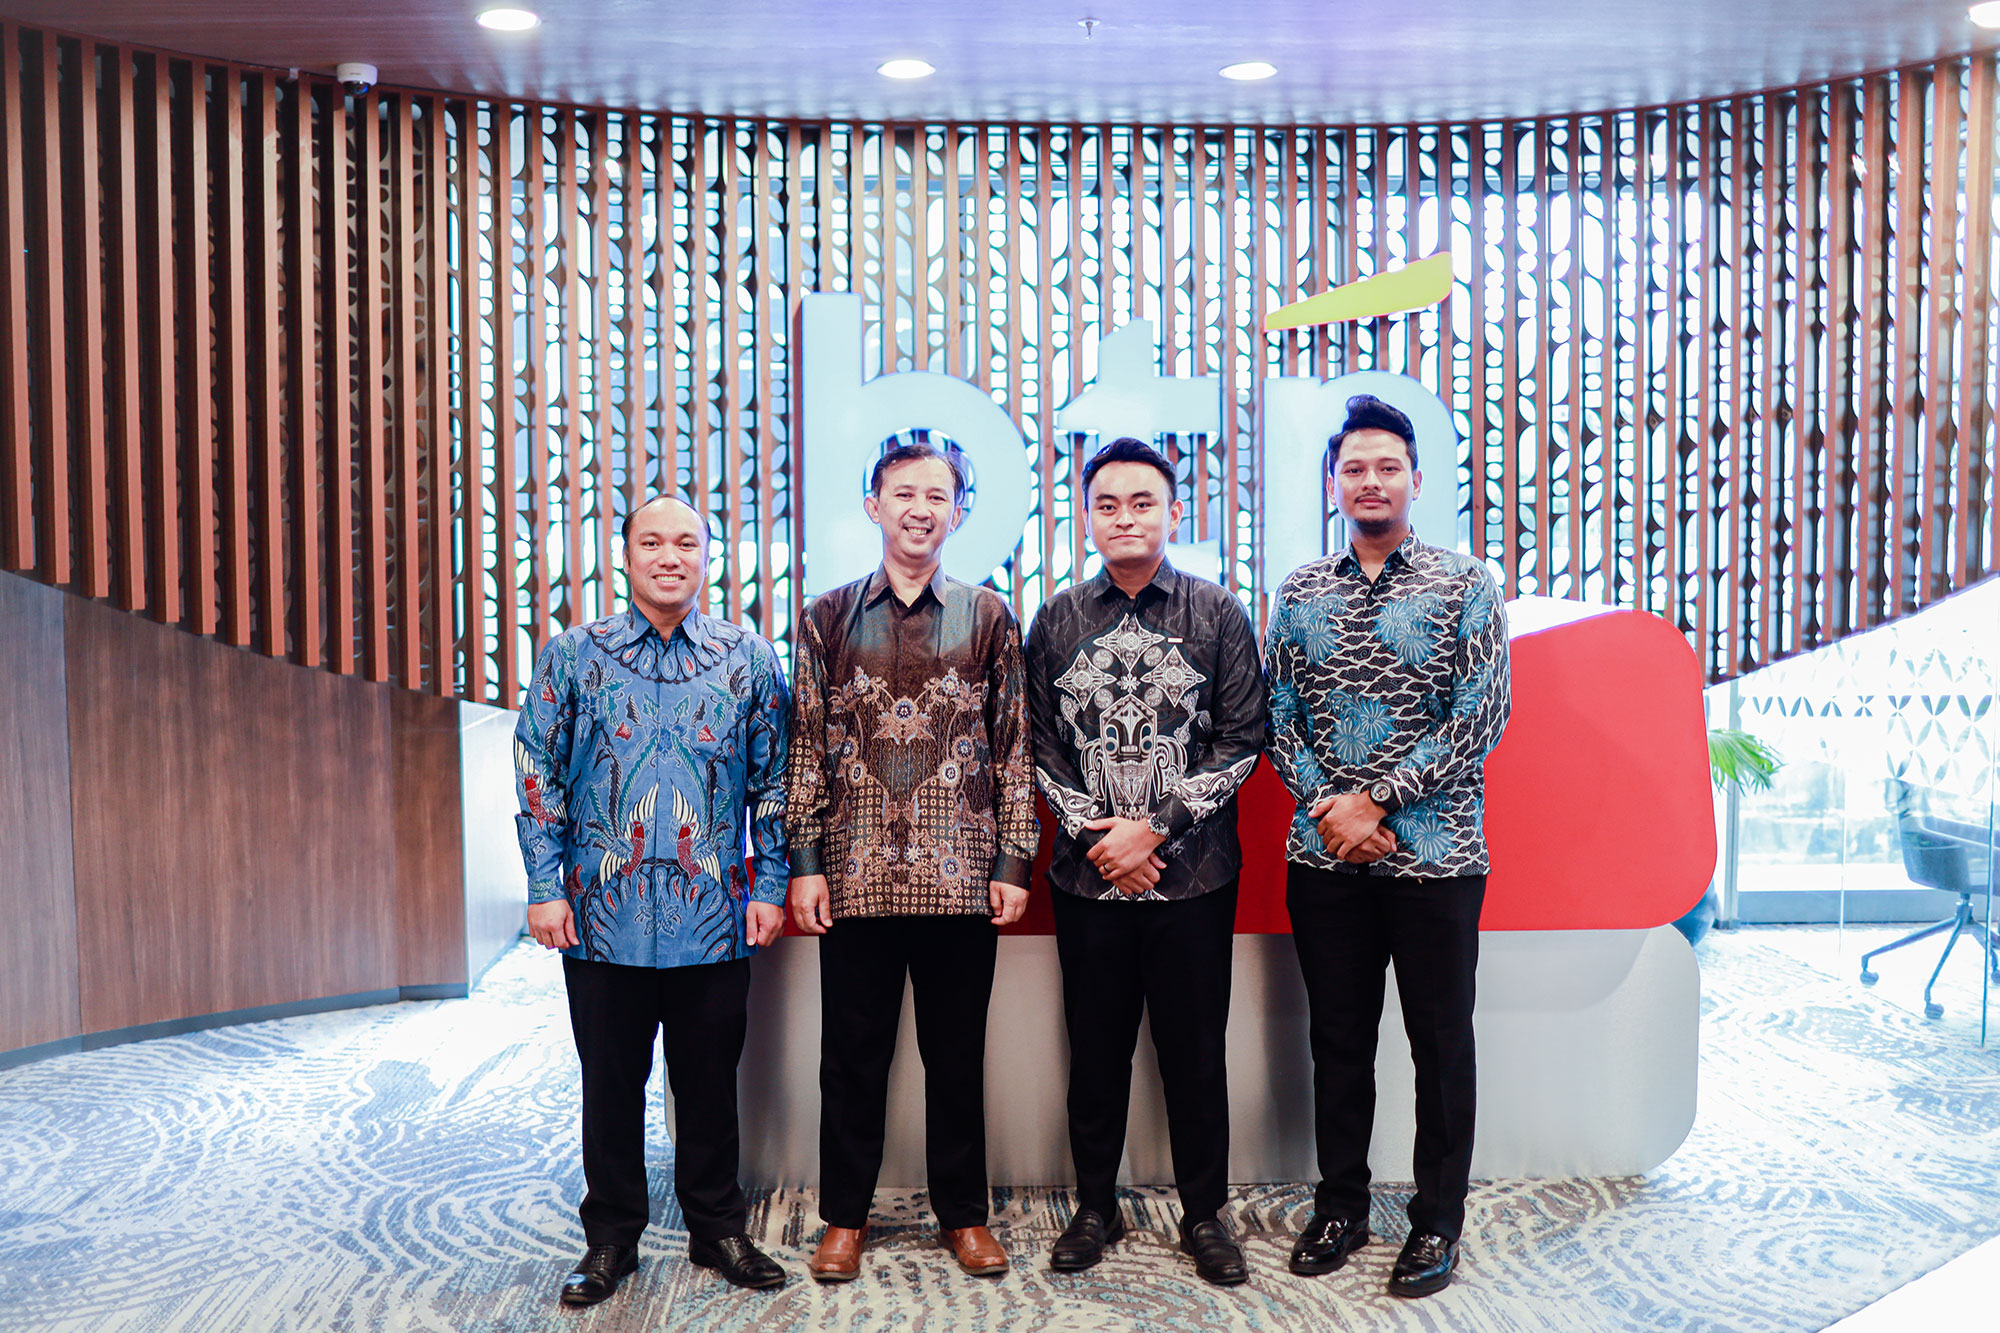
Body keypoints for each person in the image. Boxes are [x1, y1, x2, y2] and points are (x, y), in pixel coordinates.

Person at [514, 495, 792, 1306]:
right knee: (609, 1085)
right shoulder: (575, 656)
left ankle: (718, 1226)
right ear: (626, 555)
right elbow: (538, 772)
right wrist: (544, 887)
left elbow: (776, 782)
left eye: (686, 543)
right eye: (652, 542)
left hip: (714, 916)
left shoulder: (748, 658)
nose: (670, 556)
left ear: (708, 556)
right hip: (602, 918)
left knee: (709, 1083)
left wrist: (770, 884)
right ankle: (610, 1237)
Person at [1265, 394, 1510, 1299]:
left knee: (1441, 1044)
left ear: (1416, 478)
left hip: (1436, 856)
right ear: (1334, 482)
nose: (1371, 481)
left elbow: (1481, 714)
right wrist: (1331, 808)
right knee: (1338, 1042)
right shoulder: (1299, 591)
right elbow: (1277, 717)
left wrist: (1376, 801)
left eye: (1388, 467)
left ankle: (1438, 1219)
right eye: (1355, 468)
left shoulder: (1465, 583)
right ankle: (1342, 1205)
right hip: (1323, 855)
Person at [785, 442, 1037, 1283]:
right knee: (851, 1059)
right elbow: (805, 744)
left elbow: (1014, 747)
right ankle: (844, 1219)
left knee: (956, 1058)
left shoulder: (988, 615)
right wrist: (804, 860)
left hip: (961, 875)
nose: (920, 508)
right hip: (853, 873)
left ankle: (964, 1215)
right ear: (875, 505)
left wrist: (1013, 861)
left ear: (957, 512)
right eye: (903, 493)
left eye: (937, 495)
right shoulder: (826, 617)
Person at [1024, 437, 1268, 1285]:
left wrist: (1152, 831)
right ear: (1087, 516)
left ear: (1173, 511)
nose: (1124, 517)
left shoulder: (1217, 611)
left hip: (1192, 878)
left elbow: (1244, 737)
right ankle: (1096, 1205)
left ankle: (1205, 1213)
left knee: (1195, 1054)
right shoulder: (1056, 618)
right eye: (1107, 504)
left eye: (1142, 502)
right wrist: (1103, 840)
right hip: (1088, 879)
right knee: (1094, 1054)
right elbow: (1038, 744)